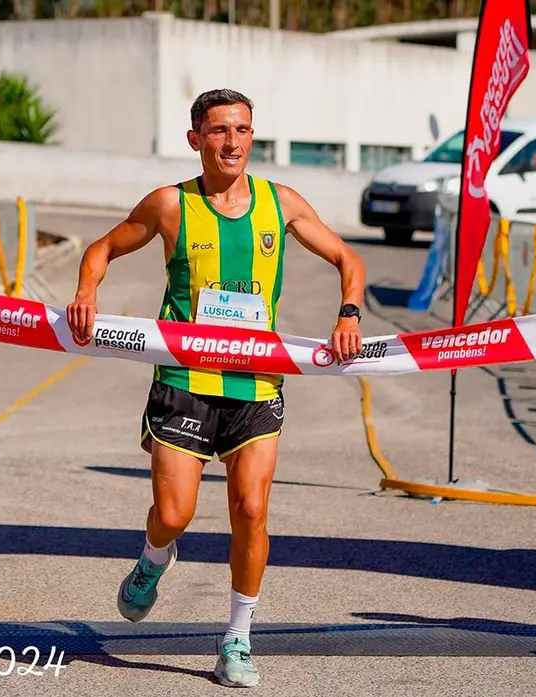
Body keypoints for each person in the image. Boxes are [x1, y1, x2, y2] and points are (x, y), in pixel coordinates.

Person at [66, 88, 366, 687]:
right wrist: (86, 292)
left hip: (256, 384)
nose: (233, 142)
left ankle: (237, 639)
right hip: (183, 380)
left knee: (251, 510)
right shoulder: (170, 206)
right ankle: (154, 556)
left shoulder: (279, 204)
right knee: (174, 515)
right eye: (221, 131)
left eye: (244, 130)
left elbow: (347, 259)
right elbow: (103, 247)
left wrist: (349, 313)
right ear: (195, 139)